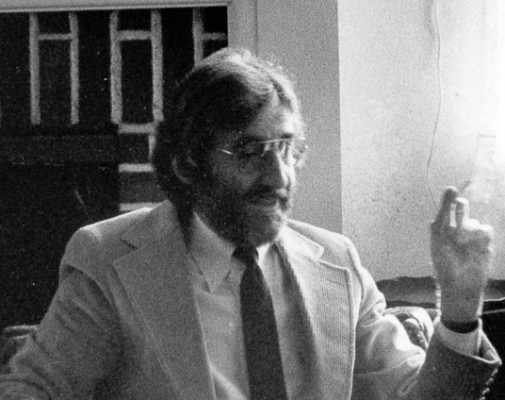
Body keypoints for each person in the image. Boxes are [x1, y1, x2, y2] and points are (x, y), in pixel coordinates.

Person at [0, 48, 500, 400]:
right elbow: (33, 390)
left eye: (286, 148)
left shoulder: (338, 263)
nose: (279, 177)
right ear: (187, 162)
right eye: (249, 151)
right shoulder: (110, 260)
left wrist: (460, 308)